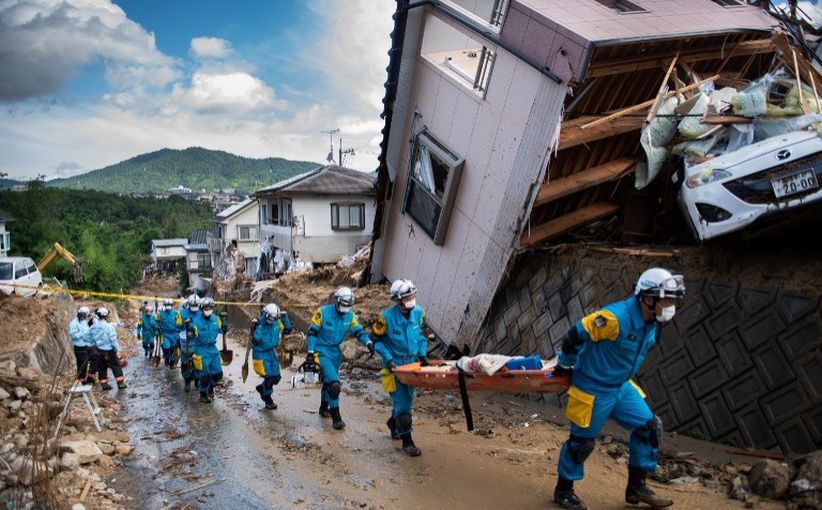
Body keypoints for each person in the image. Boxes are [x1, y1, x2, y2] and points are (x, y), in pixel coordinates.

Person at [551, 268, 685, 510]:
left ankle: (636, 488)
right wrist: (565, 364)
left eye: (672, 301)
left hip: (621, 387)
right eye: (666, 300)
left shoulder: (651, 321)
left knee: (649, 428)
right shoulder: (614, 318)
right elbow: (574, 335)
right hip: (592, 387)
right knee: (581, 444)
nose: (670, 306)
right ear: (647, 298)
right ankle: (563, 490)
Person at [373, 279, 430, 457]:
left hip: (412, 366)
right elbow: (377, 342)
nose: (411, 300)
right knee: (404, 404)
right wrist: (389, 360)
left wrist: (422, 354)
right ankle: (407, 442)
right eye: (407, 297)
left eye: (413, 296)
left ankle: (393, 423)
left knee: (407, 399)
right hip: (394, 368)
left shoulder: (419, 313)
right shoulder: (385, 318)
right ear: (397, 300)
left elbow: (421, 336)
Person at [305, 287, 374, 430]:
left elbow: (358, 331)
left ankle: (323, 407)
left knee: (328, 381)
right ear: (336, 301)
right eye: (343, 305)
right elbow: (312, 332)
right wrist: (310, 352)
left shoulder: (350, 316)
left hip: (335, 352)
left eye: (348, 306)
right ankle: (336, 418)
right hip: (321, 350)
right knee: (334, 384)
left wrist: (368, 342)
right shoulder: (323, 312)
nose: (345, 309)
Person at [250, 303, 292, 410]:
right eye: (270, 318)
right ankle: (267, 398)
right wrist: (254, 329)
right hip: (259, 354)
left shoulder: (277, 323)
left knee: (276, 377)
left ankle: (262, 388)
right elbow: (254, 341)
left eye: (274, 318)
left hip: (271, 352)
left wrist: (285, 318)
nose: (272, 320)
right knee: (269, 377)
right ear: (265, 314)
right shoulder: (259, 325)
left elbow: (287, 329)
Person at [188, 297, 226, 403]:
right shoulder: (196, 321)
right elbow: (193, 333)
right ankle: (203, 393)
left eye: (210, 308)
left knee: (218, 374)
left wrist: (224, 327)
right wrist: (191, 333)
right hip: (201, 350)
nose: (208, 310)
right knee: (205, 375)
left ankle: (210, 386)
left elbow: (221, 330)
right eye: (206, 308)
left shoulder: (216, 319)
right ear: (202, 309)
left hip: (213, 349)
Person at [89, 307, 127, 390]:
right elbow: (113, 340)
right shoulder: (109, 326)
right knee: (116, 366)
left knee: (102, 368)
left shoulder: (93, 327)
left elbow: (91, 340)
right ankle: (120, 383)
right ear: (106, 316)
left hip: (98, 351)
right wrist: (117, 350)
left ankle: (104, 385)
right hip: (109, 351)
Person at [176, 295, 200, 392]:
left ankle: (197, 380)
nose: (194, 307)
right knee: (185, 362)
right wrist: (184, 328)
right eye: (193, 305)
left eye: (196, 305)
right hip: (185, 341)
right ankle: (187, 381)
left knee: (198, 362)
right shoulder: (182, 313)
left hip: (198, 341)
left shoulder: (201, 313)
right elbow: (177, 326)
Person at [68, 306, 96, 384]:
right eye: (85, 316)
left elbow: (86, 329)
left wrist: (90, 324)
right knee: (83, 364)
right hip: (79, 347)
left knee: (95, 357)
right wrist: (82, 332)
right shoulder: (73, 323)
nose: (86, 317)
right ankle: (82, 380)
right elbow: (73, 336)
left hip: (87, 345)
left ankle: (91, 375)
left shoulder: (83, 321)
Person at [157, 298, 181, 368]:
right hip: (165, 334)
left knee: (173, 349)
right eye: (167, 305)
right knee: (166, 347)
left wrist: (180, 330)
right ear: (164, 305)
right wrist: (158, 328)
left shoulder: (176, 313)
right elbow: (157, 322)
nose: (168, 306)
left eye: (170, 305)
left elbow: (179, 323)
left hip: (174, 334)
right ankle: (166, 359)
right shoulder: (160, 314)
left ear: (172, 305)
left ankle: (172, 362)